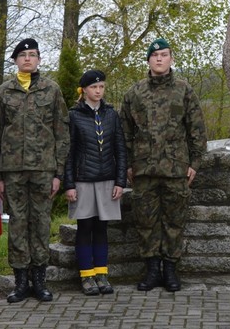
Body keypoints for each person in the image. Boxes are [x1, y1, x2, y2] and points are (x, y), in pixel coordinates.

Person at [121, 38, 208, 292]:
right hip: (144, 169)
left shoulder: (184, 90)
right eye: (155, 55)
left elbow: (197, 129)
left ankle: (170, 270)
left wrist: (195, 162)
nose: (159, 59)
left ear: (171, 59)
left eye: (164, 54)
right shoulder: (134, 93)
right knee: (145, 221)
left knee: (174, 220)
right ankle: (151, 270)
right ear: (148, 60)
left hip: (175, 168)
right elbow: (124, 133)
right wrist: (127, 164)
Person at [0, 38, 69, 303]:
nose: (27, 59)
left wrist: (59, 172)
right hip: (12, 171)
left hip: (43, 170)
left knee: (42, 223)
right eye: (22, 55)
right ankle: (21, 281)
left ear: (39, 60)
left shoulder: (52, 90)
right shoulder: (4, 92)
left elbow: (61, 132)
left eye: (32, 54)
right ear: (15, 60)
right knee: (18, 223)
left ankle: (40, 280)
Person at [64, 69, 127, 296]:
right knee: (85, 228)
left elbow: (120, 149)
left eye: (101, 87)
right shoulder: (74, 115)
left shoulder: (111, 114)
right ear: (84, 90)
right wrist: (69, 184)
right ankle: (86, 276)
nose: (98, 91)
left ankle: (101, 274)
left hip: (107, 180)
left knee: (102, 229)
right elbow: (68, 153)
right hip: (82, 181)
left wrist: (120, 181)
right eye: (93, 87)